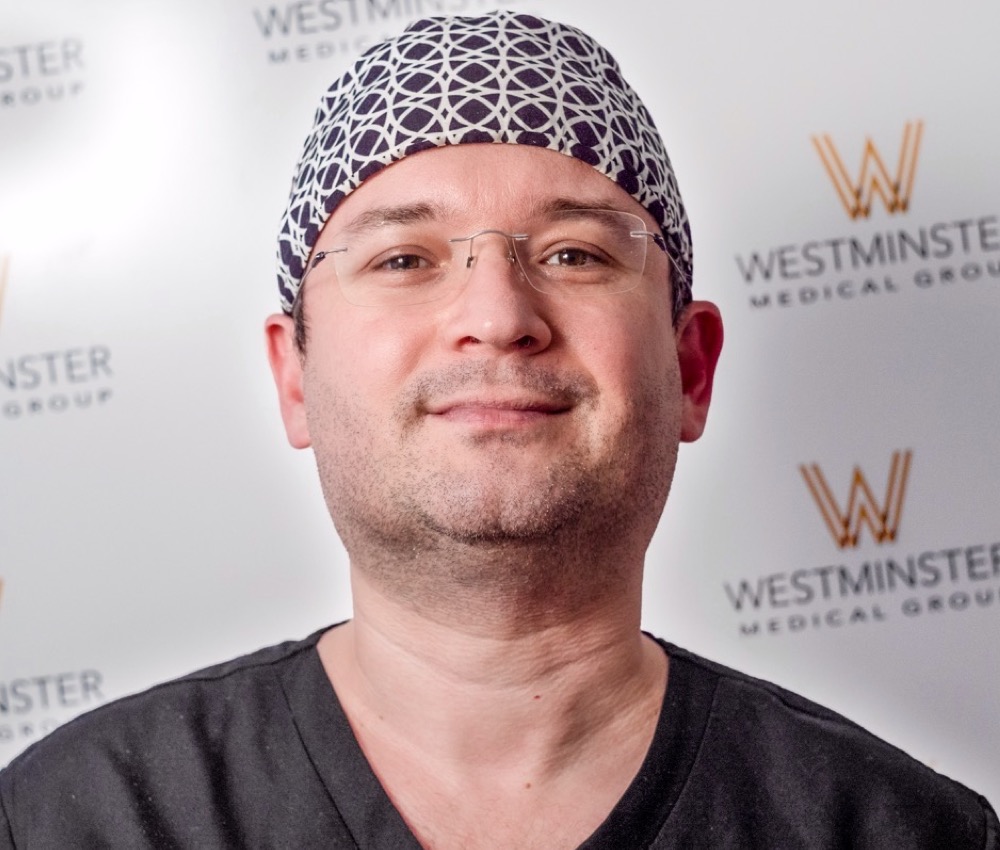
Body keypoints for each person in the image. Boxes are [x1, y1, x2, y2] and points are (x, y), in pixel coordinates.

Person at [0, 11, 996, 849]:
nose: (498, 313)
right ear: (293, 376)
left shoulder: (899, 831)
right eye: (402, 260)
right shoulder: (75, 822)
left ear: (689, 366)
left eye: (572, 253)